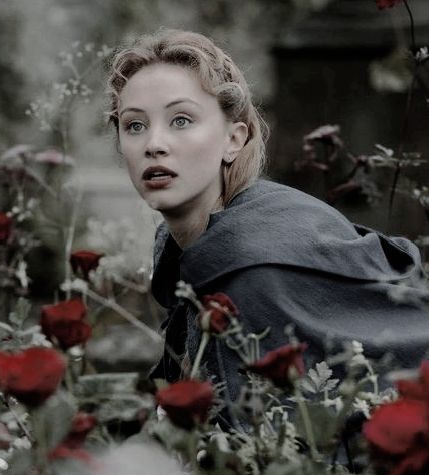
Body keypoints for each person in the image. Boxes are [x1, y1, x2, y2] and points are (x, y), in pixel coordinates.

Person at [106, 28, 429, 428]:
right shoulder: (194, 243)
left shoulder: (253, 265)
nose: (154, 143)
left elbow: (264, 451)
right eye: (134, 125)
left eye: (181, 120)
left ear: (233, 139)